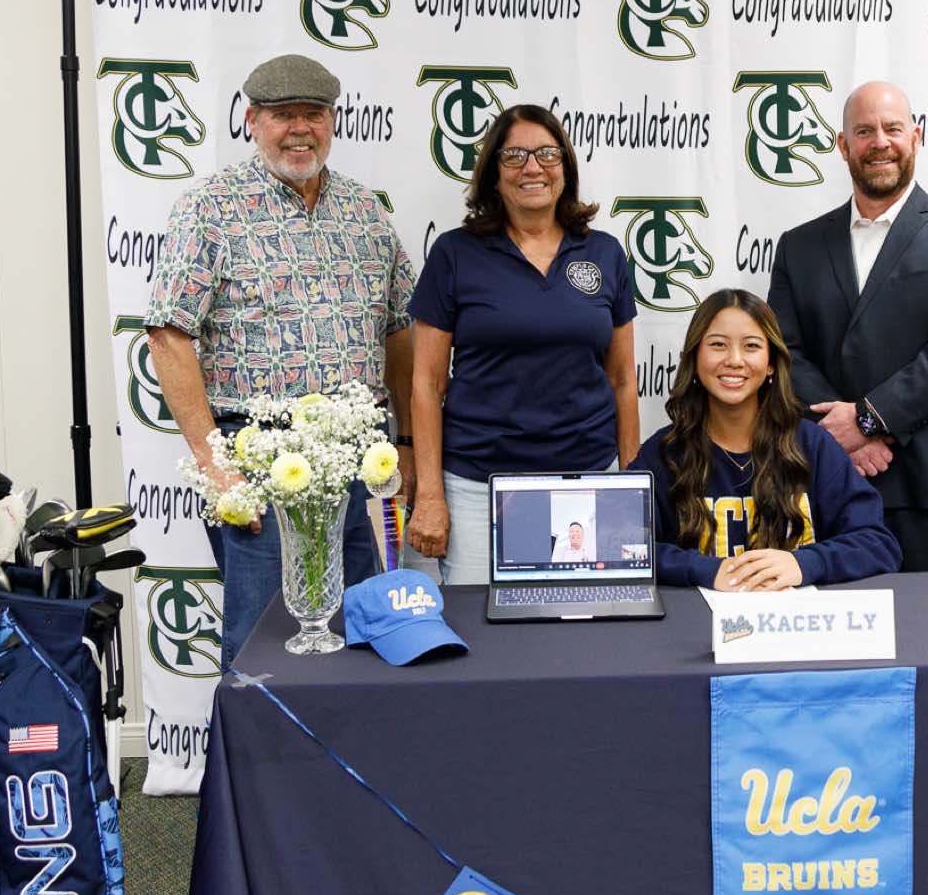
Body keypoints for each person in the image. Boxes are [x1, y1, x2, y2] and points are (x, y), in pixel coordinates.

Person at [147, 54, 415, 669]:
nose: (300, 129)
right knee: (264, 645)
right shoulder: (210, 208)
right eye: (281, 115)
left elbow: (400, 328)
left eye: (313, 114)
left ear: (333, 120)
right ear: (251, 121)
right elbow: (168, 335)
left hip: (357, 457)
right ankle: (259, 738)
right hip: (258, 461)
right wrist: (215, 464)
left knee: (361, 633)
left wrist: (404, 442)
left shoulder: (365, 213)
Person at [766, 80, 928, 572]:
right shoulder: (799, 245)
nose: (880, 142)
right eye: (864, 131)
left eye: (893, 129)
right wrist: (839, 434)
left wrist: (868, 419)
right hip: (828, 479)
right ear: (843, 145)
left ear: (915, 137)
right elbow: (784, 351)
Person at [406, 105, 640, 583]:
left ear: (565, 168)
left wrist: (633, 486)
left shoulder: (604, 253)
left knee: (582, 619)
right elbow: (426, 385)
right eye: (514, 156)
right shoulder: (454, 254)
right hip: (478, 486)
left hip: (587, 479)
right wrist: (429, 495)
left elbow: (622, 380)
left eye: (547, 154)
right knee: (479, 623)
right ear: (494, 175)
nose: (532, 167)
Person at [631, 289, 899, 589]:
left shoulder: (812, 446)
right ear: (694, 358)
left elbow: (878, 544)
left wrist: (804, 563)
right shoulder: (663, 453)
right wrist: (705, 570)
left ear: (771, 363)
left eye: (751, 346)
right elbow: (620, 548)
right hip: (695, 617)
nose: (734, 360)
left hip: (796, 617)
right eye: (718, 345)